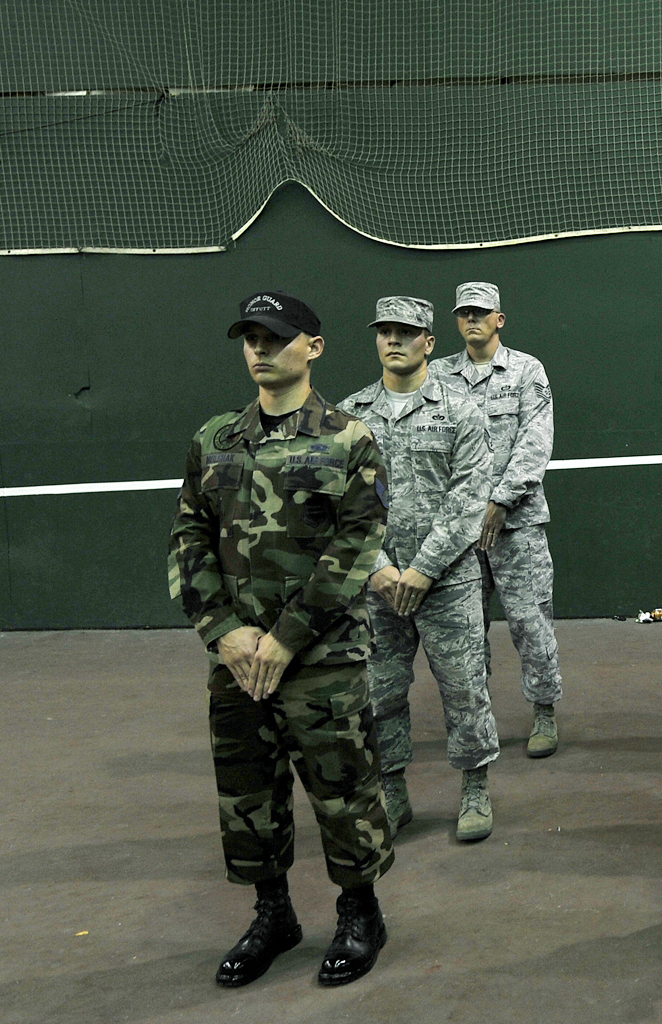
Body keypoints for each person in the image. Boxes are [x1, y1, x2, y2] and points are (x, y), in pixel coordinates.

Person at [168, 292, 393, 988]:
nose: (261, 350)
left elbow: (359, 544)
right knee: (247, 794)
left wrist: (287, 638)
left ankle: (360, 914)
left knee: (343, 791)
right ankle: (275, 914)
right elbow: (189, 538)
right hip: (237, 662)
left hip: (321, 658)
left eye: (276, 337)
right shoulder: (215, 440)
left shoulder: (348, 439)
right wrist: (225, 632)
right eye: (250, 338)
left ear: (312, 347)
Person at [340, 297, 502, 844]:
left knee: (464, 689)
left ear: (429, 342)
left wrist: (424, 570)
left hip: (448, 581)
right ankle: (391, 788)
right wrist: (380, 569)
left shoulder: (462, 411)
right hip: (378, 587)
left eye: (406, 332)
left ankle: (474, 786)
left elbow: (469, 498)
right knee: (380, 692)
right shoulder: (351, 416)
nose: (394, 340)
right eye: (384, 331)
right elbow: (345, 504)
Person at [436, 281, 563, 758]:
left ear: (498, 319)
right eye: (464, 313)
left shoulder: (527, 371)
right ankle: (477, 718)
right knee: (467, 631)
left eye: (481, 313)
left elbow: (536, 440)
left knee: (531, 623)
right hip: (460, 531)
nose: (472, 320)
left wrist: (502, 500)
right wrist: (465, 510)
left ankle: (545, 711)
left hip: (518, 525)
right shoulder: (439, 376)